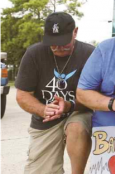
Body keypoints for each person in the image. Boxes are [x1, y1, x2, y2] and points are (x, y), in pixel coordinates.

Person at [15, 12, 95, 174]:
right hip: (46, 118)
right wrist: (43, 109)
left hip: (79, 111)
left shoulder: (90, 54)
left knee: (76, 127)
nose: (58, 47)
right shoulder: (34, 54)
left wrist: (69, 105)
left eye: (63, 42)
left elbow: (97, 96)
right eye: (53, 43)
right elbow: (22, 95)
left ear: (75, 32)